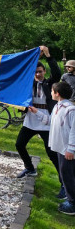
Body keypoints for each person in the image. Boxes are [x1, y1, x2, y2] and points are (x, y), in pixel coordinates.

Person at [15, 46, 61, 179]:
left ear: (44, 71)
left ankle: (64, 181)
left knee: (51, 153)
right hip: (30, 120)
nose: (37, 74)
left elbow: (57, 74)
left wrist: (48, 55)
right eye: (35, 72)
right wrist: (34, 58)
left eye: (40, 72)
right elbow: (21, 73)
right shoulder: (29, 83)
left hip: (46, 121)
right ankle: (30, 168)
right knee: (19, 144)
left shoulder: (49, 83)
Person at [48, 81, 75, 215]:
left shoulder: (70, 109)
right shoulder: (57, 106)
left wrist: (71, 149)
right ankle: (71, 198)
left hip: (67, 150)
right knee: (65, 173)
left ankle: (72, 204)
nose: (51, 93)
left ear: (57, 93)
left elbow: (74, 130)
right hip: (60, 147)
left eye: (52, 91)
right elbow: (50, 121)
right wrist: (36, 113)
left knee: (67, 174)